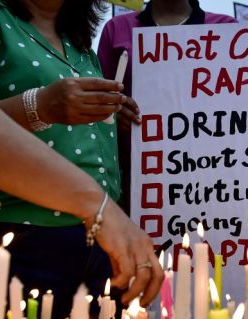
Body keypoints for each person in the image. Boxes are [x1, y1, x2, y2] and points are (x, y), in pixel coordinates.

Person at [0, 0, 142, 319]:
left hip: (97, 244)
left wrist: (111, 116)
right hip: (17, 242)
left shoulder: (80, 45)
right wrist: (40, 104)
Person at [97, 0, 237, 210]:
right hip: (136, 180)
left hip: (215, 177)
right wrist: (114, 112)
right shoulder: (116, 28)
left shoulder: (227, 28)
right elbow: (98, 107)